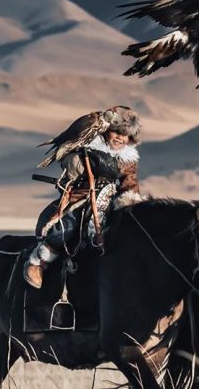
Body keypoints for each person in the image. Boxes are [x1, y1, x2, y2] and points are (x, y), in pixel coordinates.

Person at [24, 108, 142, 289]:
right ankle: (39, 261)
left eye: (125, 135)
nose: (120, 137)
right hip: (83, 195)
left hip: (111, 199)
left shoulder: (128, 160)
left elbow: (129, 182)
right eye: (116, 131)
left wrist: (130, 199)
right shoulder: (87, 145)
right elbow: (68, 163)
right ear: (106, 130)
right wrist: (81, 160)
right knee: (70, 223)